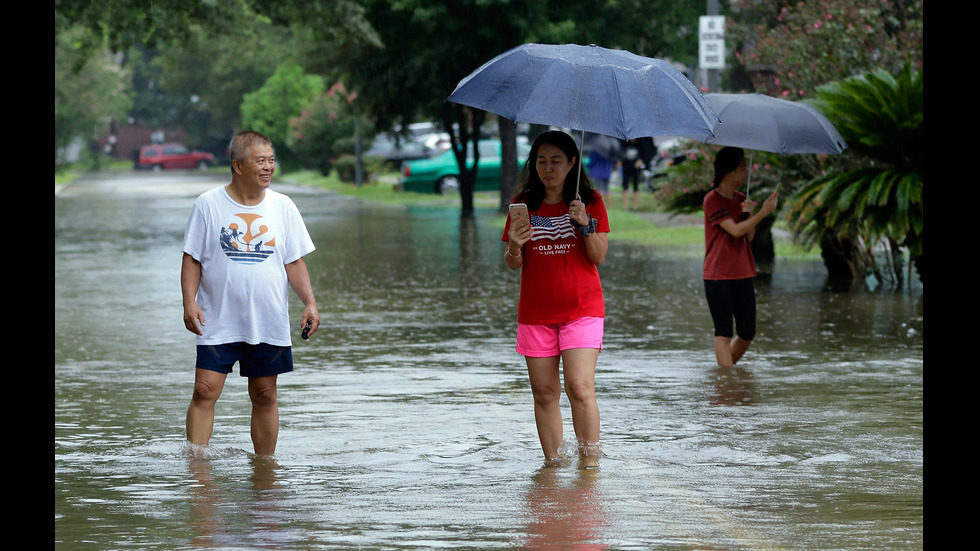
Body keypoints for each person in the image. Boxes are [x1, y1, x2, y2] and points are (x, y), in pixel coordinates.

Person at [181, 130, 321, 456]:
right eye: (260, 161)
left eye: (271, 160)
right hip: (218, 316)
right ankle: (197, 469)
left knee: (264, 394)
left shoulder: (283, 206)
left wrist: (310, 304)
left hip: (267, 317)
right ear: (237, 165)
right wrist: (189, 302)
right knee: (205, 390)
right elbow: (192, 259)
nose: (269, 167)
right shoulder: (208, 205)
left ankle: (265, 472)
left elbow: (294, 261)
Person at [503, 130, 610, 468]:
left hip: (582, 309)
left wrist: (584, 225)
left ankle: (589, 466)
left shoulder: (589, 201)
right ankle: (552, 467)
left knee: (578, 387)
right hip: (535, 312)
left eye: (556, 161)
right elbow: (513, 263)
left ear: (572, 164)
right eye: (541, 161)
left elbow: (598, 257)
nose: (548, 168)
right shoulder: (524, 204)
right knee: (545, 393)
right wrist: (515, 246)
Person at [702, 146, 778, 369]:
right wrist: (764, 212)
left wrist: (751, 213)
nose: (746, 171)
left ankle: (724, 376)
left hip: (743, 271)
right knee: (724, 333)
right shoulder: (712, 199)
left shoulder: (741, 199)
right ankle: (727, 383)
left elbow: (749, 235)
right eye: (742, 167)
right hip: (718, 275)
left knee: (747, 332)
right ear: (729, 171)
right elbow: (734, 230)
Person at [619, 137, 656, 210]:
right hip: (626, 166)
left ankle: (635, 207)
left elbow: (647, 152)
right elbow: (620, 152)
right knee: (625, 186)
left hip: (636, 168)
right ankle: (625, 206)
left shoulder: (641, 142)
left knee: (636, 187)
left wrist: (641, 160)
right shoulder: (624, 142)